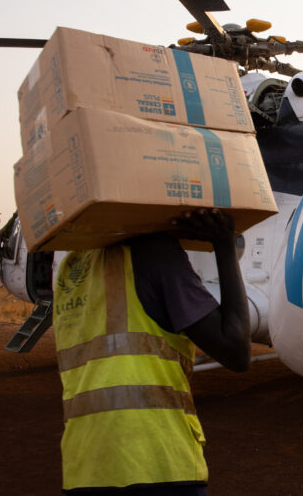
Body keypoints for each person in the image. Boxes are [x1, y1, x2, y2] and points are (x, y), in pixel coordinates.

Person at [52, 208, 251, 495]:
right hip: (158, 463)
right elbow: (236, 350)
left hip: (84, 467)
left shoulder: (69, 270)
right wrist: (224, 245)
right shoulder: (154, 252)